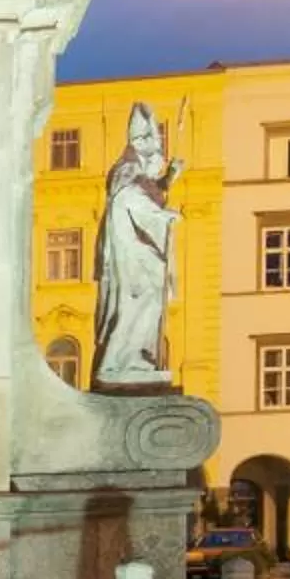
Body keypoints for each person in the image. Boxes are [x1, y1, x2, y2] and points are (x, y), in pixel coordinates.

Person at [93, 103, 184, 390]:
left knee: (148, 299)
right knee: (137, 300)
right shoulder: (128, 169)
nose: (159, 153)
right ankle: (120, 362)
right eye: (156, 146)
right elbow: (128, 197)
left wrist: (168, 179)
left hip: (139, 249)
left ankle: (138, 359)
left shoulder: (137, 171)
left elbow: (148, 190)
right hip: (131, 251)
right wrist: (163, 214)